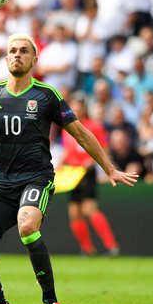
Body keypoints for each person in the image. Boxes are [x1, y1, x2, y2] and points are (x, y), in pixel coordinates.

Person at [0, 33, 138, 304]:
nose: (17, 55)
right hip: (1, 183)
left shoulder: (47, 95)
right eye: (12, 51)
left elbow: (81, 134)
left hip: (36, 179)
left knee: (28, 226)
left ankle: (51, 301)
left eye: (24, 51)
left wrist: (110, 168)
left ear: (34, 60)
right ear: (5, 59)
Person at [60, 96, 122, 257]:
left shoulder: (94, 126)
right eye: (73, 108)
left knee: (89, 209)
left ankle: (111, 246)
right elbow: (69, 150)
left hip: (86, 172)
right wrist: (61, 162)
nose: (76, 111)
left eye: (79, 107)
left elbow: (104, 149)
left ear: (84, 108)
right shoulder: (66, 127)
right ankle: (87, 249)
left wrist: (91, 162)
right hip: (71, 174)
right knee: (74, 213)